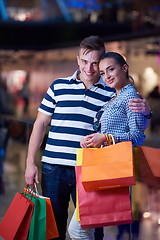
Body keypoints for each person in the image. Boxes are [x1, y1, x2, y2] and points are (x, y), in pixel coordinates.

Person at [25, 36, 151, 240]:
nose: (89, 68)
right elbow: (39, 125)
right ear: (77, 60)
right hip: (53, 167)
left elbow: (132, 121)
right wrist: (30, 164)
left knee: (91, 228)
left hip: (89, 170)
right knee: (52, 230)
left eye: (95, 63)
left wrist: (147, 112)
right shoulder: (58, 86)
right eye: (84, 61)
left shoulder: (112, 93)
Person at [68, 52, 146, 240]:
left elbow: (137, 136)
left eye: (111, 69)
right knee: (86, 226)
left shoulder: (130, 97)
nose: (107, 76)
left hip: (110, 168)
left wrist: (106, 138)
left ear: (124, 68)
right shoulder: (116, 96)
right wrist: (93, 139)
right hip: (102, 166)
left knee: (78, 229)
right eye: (103, 73)